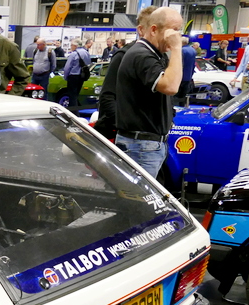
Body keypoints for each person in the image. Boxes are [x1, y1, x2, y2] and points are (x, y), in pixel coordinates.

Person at [115, 7, 183, 178]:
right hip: (141, 146)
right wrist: (176, 49)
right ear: (153, 30)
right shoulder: (142, 55)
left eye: (179, 31)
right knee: (136, 195)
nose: (177, 36)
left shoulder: (154, 54)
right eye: (174, 30)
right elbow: (171, 86)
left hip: (146, 145)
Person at [94, 5, 156, 141]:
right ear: (141, 30)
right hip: (129, 137)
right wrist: (126, 126)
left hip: (153, 136)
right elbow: (107, 96)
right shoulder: (124, 55)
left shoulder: (159, 57)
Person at [62, 38, 90, 112]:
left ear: (75, 45)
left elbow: (67, 67)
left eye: (71, 45)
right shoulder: (86, 53)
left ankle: (73, 112)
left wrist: (65, 77)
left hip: (73, 76)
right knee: (76, 94)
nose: (71, 47)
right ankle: (75, 110)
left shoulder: (74, 54)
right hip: (82, 76)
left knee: (72, 96)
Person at [175, 37, 197, 107]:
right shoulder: (193, 50)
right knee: (183, 97)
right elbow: (193, 64)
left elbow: (179, 64)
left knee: (176, 98)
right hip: (188, 77)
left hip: (180, 78)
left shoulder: (181, 50)